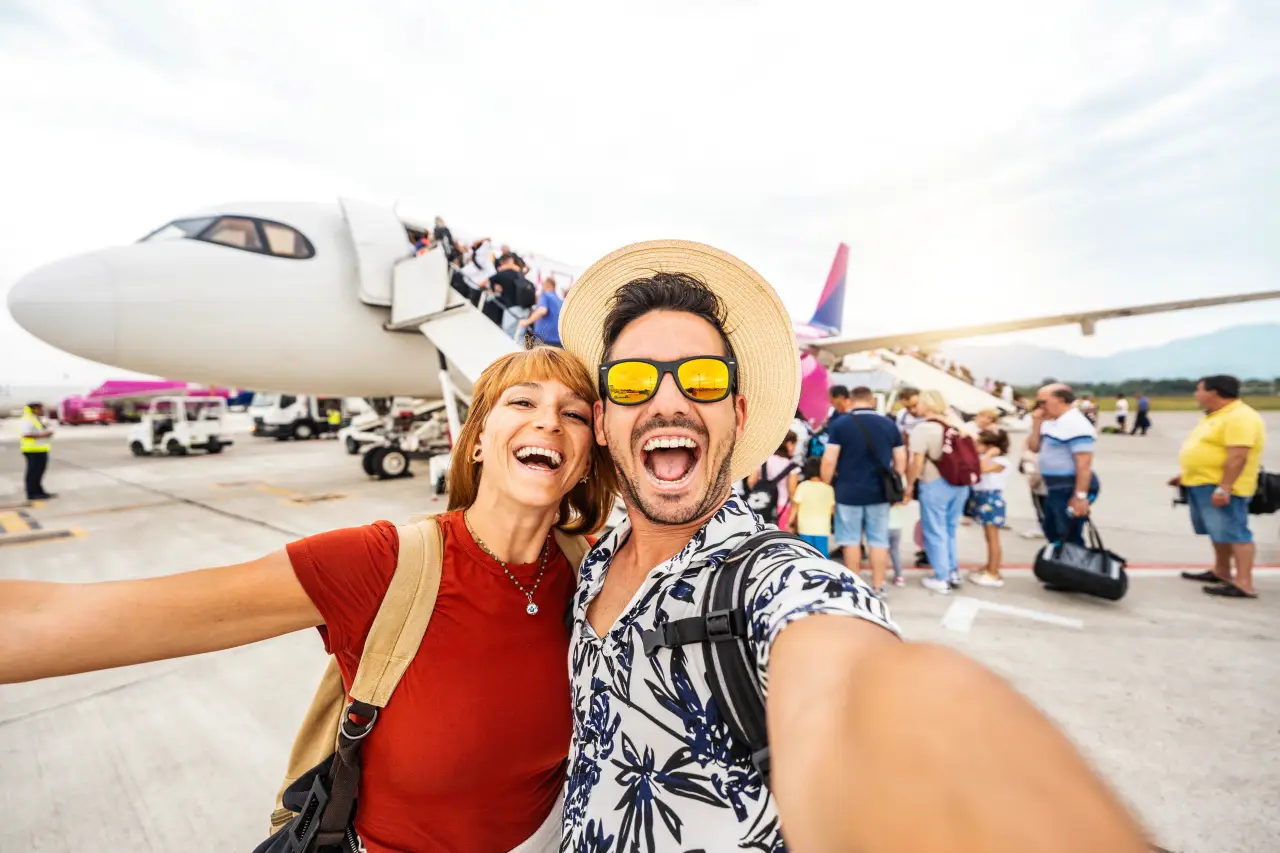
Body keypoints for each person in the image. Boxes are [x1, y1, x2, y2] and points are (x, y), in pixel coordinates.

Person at [557, 241, 1148, 853]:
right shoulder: (596, 561)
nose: (669, 400)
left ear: (738, 412)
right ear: (600, 421)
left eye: (702, 379)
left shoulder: (772, 583)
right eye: (632, 382)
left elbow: (860, 690)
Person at [0, 347, 618, 853]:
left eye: (574, 413)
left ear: (588, 455)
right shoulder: (379, 563)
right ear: (477, 441)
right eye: (523, 402)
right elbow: (55, 619)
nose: (549, 422)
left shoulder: (594, 568)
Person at [1172, 375, 1266, 599]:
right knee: (1218, 531)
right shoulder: (1216, 416)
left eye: (1199, 390)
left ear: (1213, 393)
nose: (1196, 394)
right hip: (1201, 482)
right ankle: (1221, 571)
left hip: (1222, 486)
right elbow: (1208, 450)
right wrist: (1186, 475)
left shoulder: (1240, 417)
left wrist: (1225, 487)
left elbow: (1238, 456)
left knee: (1236, 531)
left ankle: (1244, 583)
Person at [821, 386, 905, 598]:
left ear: (851, 400)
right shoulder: (889, 424)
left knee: (850, 539)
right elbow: (901, 460)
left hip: (848, 491)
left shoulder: (841, 424)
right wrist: (896, 483)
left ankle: (854, 586)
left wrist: (826, 484)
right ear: (872, 401)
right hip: (880, 492)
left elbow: (829, 459)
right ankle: (878, 587)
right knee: (878, 540)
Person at [905, 390, 968, 593]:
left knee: (934, 530)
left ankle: (942, 577)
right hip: (960, 483)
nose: (916, 408)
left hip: (934, 482)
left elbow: (917, 462)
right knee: (949, 529)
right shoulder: (956, 425)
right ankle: (952, 571)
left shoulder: (924, 429)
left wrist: (909, 485)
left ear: (927, 406)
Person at [1027, 383, 1099, 546]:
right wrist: (1036, 423)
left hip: (1070, 484)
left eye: (1043, 402)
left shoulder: (1076, 424)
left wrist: (1080, 496)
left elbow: (1084, 463)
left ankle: (1076, 565)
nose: (1040, 407)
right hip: (1055, 486)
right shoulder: (1052, 422)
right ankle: (1063, 562)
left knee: (1068, 531)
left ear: (1060, 399)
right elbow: (1034, 447)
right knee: (1051, 528)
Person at [968, 428, 1011, 588]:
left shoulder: (1001, 462)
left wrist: (989, 455)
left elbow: (978, 470)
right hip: (981, 498)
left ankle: (993, 571)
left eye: (979, 444)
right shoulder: (985, 458)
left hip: (991, 499)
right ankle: (989, 566)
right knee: (988, 536)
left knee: (993, 537)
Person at [746, 431, 801, 528]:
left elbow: (751, 481)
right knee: (777, 537)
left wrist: (762, 489)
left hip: (760, 503)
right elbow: (792, 492)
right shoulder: (792, 467)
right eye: (794, 444)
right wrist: (794, 513)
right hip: (781, 507)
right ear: (788, 444)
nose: (794, 448)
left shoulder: (762, 459)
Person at [789, 456, 835, 557]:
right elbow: (832, 511)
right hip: (822, 528)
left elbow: (795, 507)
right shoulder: (828, 488)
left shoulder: (803, 486)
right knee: (822, 555)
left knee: (807, 554)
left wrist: (789, 522)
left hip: (805, 527)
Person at [19, 402, 56, 500]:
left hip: (40, 449)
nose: (42, 411)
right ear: (34, 409)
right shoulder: (27, 420)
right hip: (31, 450)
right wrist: (43, 435)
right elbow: (26, 434)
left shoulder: (38, 419)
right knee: (33, 473)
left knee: (39, 472)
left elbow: (42, 429)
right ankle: (32, 493)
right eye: (41, 409)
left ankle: (39, 492)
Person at [519, 276, 564, 347]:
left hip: (544, 339)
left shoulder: (545, 295)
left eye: (542, 285)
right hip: (558, 341)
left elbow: (542, 310)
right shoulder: (560, 300)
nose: (541, 288)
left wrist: (527, 321)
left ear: (547, 285)